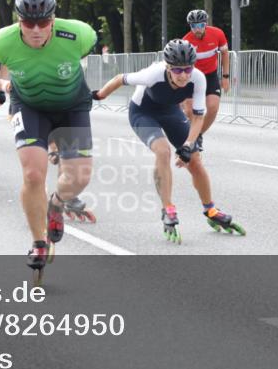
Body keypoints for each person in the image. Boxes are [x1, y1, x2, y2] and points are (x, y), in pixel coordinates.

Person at [0, 0, 97, 276]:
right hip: (29, 106)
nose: (36, 30)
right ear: (18, 20)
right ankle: (38, 242)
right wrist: (2, 88)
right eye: (28, 23)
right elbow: (1, 74)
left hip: (72, 106)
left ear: (54, 19)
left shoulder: (80, 34)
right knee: (33, 173)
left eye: (43, 22)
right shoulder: (1, 42)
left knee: (80, 177)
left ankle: (56, 203)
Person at [93, 39, 245, 243]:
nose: (183, 75)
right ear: (167, 67)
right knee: (163, 151)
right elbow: (120, 78)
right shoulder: (153, 74)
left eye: (187, 69)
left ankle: (211, 210)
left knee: (195, 160)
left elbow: (198, 117)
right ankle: (168, 209)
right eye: (177, 70)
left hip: (170, 111)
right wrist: (99, 95)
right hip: (143, 112)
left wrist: (188, 146)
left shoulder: (198, 78)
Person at [181, 10, 229, 151]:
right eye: (194, 26)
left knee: (213, 107)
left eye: (201, 25)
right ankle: (190, 134)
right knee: (189, 110)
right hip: (192, 77)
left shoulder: (217, 34)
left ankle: (198, 134)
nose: (197, 29)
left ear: (205, 24)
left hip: (210, 75)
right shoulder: (186, 41)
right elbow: (181, 66)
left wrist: (225, 77)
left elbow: (225, 54)